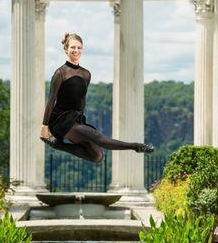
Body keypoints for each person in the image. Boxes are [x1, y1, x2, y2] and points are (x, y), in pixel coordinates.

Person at [40, 33, 154, 163]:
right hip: (61, 120)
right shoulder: (60, 73)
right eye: (72, 47)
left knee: (97, 156)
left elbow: (80, 101)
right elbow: (51, 101)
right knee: (98, 138)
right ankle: (136, 146)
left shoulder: (86, 74)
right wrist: (45, 126)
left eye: (79, 47)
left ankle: (58, 145)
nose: (76, 50)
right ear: (66, 50)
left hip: (76, 119)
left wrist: (80, 120)